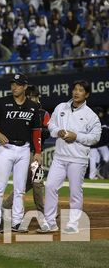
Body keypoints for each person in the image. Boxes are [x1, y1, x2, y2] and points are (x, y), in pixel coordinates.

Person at [39, 80, 102, 234]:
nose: (76, 92)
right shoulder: (61, 107)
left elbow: (96, 137)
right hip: (59, 157)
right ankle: (50, 222)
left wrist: (77, 136)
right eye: (75, 89)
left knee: (75, 192)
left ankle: (73, 223)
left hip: (78, 158)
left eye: (80, 90)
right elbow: (51, 124)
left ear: (86, 94)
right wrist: (57, 131)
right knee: (50, 186)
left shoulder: (91, 116)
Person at [0, 73, 43, 233]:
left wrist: (38, 151)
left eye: (18, 84)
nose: (14, 87)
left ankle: (17, 221)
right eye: (13, 84)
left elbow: (36, 131)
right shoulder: (3, 102)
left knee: (20, 188)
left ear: (25, 87)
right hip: (6, 148)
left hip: (24, 149)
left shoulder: (33, 107)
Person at [1, 85, 50, 221]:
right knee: (38, 181)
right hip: (26, 151)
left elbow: (48, 130)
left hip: (36, 152)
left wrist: (40, 131)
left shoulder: (43, 113)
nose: (34, 99)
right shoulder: (24, 111)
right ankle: (43, 213)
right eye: (31, 96)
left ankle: (5, 206)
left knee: (28, 183)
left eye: (35, 96)